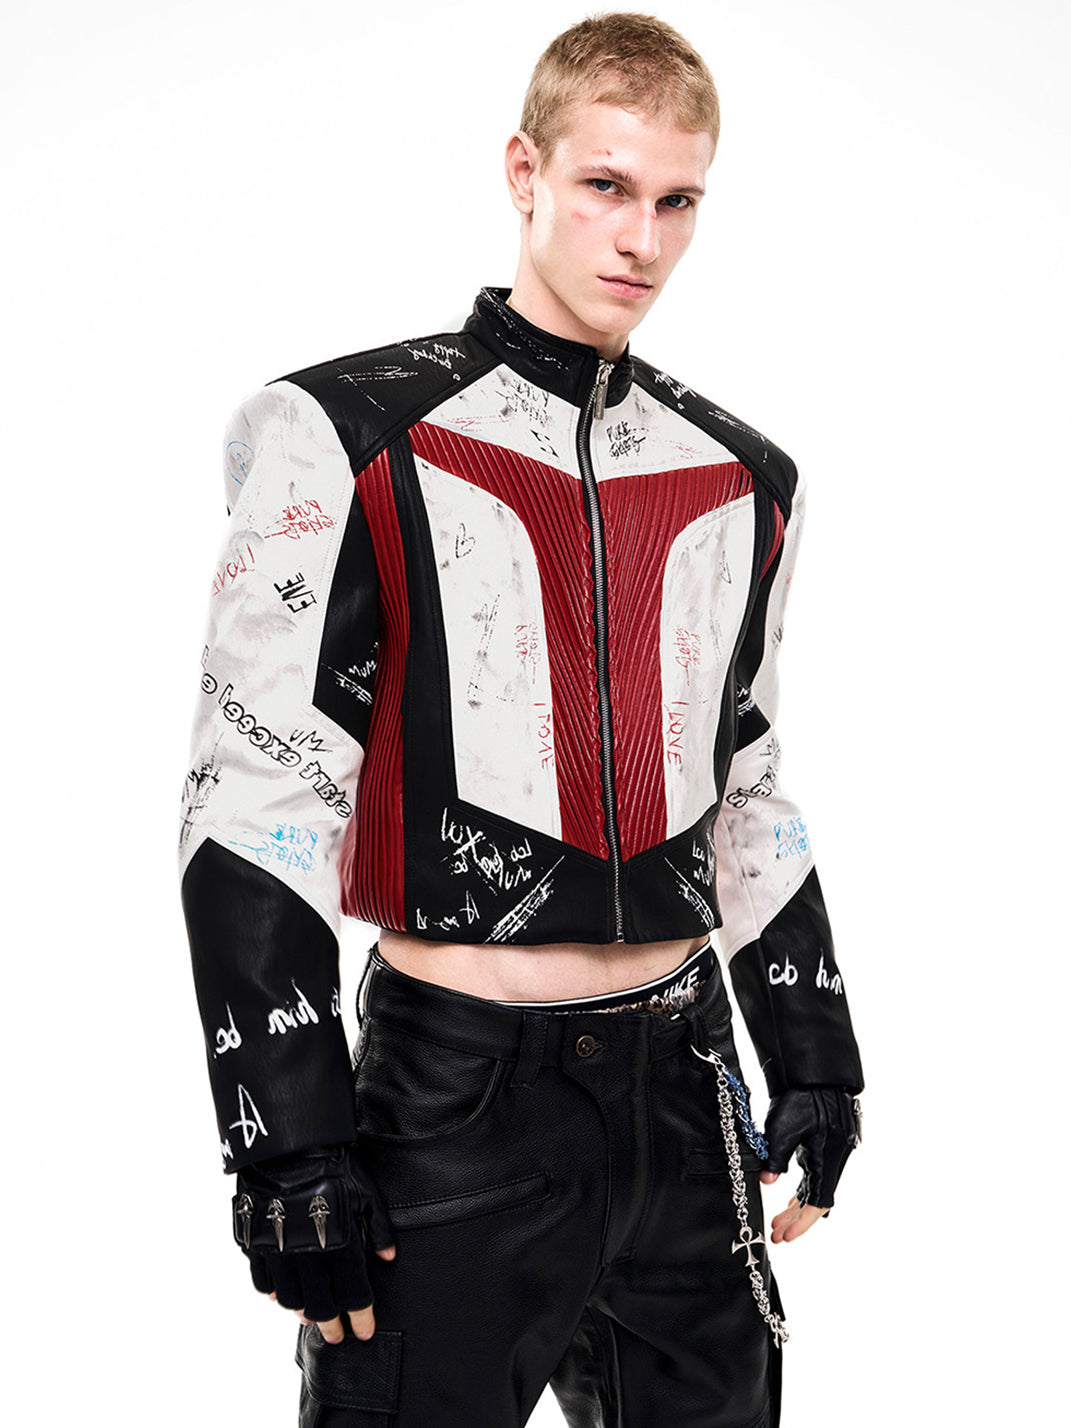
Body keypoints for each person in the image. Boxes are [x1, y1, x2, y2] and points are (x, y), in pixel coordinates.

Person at [179, 13, 863, 1426]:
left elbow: (744, 776)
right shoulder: (347, 431)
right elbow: (256, 796)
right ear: (524, 171)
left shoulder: (748, 476)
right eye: (607, 186)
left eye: (678, 201)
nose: (642, 240)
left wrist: (812, 1052)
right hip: (456, 1103)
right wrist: (286, 1145)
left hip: (687, 1097)